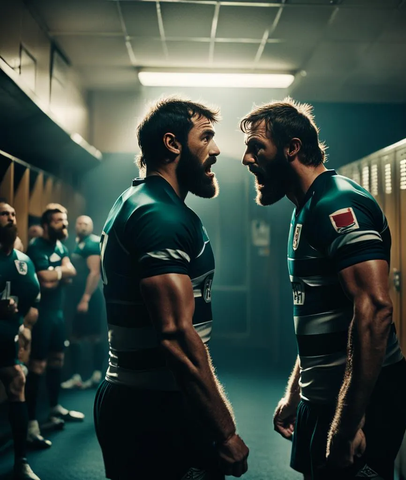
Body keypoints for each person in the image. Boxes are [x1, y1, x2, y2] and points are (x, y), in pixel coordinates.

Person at [240, 99, 406, 480]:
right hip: (324, 393)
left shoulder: (338, 203)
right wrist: (296, 390)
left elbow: (374, 311)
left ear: (292, 148)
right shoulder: (306, 206)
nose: (246, 159)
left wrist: (348, 425)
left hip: (362, 396)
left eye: (256, 147)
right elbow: (327, 315)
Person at [95, 97, 249, 480]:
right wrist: (226, 430)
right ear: (173, 144)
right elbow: (176, 336)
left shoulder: (138, 201)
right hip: (154, 408)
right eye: (207, 137)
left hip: (141, 397)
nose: (216, 150)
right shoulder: (160, 215)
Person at [25, 204, 84, 449]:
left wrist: (56, 274)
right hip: (42, 315)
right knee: (37, 365)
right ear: (47, 224)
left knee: (57, 359)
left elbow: (72, 272)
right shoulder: (37, 246)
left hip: (58, 314)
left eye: (65, 219)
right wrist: (60, 274)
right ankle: (30, 424)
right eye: (59, 220)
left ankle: (53, 408)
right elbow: (42, 280)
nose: (64, 224)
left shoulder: (60, 245)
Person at [0, 199, 41, 479]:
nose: (11, 218)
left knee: (17, 381)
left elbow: (32, 298)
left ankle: (20, 461)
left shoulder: (23, 261)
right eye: (4, 214)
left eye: (13, 214)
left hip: (5, 338)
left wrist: (24, 325)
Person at [61, 215, 105, 390]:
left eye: (86, 223)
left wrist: (86, 298)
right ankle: (76, 376)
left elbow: (95, 273)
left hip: (90, 298)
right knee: (75, 336)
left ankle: (95, 375)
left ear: (92, 226)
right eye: (79, 223)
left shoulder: (93, 244)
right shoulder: (75, 244)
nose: (83, 226)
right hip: (75, 297)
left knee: (93, 336)